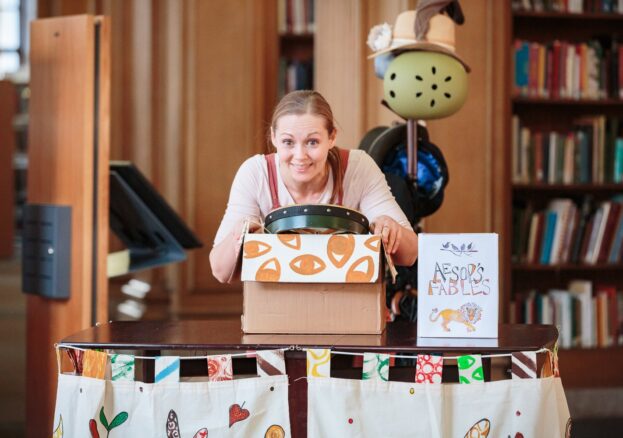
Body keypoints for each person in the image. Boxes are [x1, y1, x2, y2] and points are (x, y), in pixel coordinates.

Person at [210, 90, 418, 283]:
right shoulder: (255, 173)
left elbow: (410, 255)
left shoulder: (358, 168)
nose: (300, 156)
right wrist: (238, 235)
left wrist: (390, 227)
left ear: (332, 137)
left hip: (346, 305)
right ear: (274, 137)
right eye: (288, 142)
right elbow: (221, 272)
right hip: (277, 308)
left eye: (312, 142)